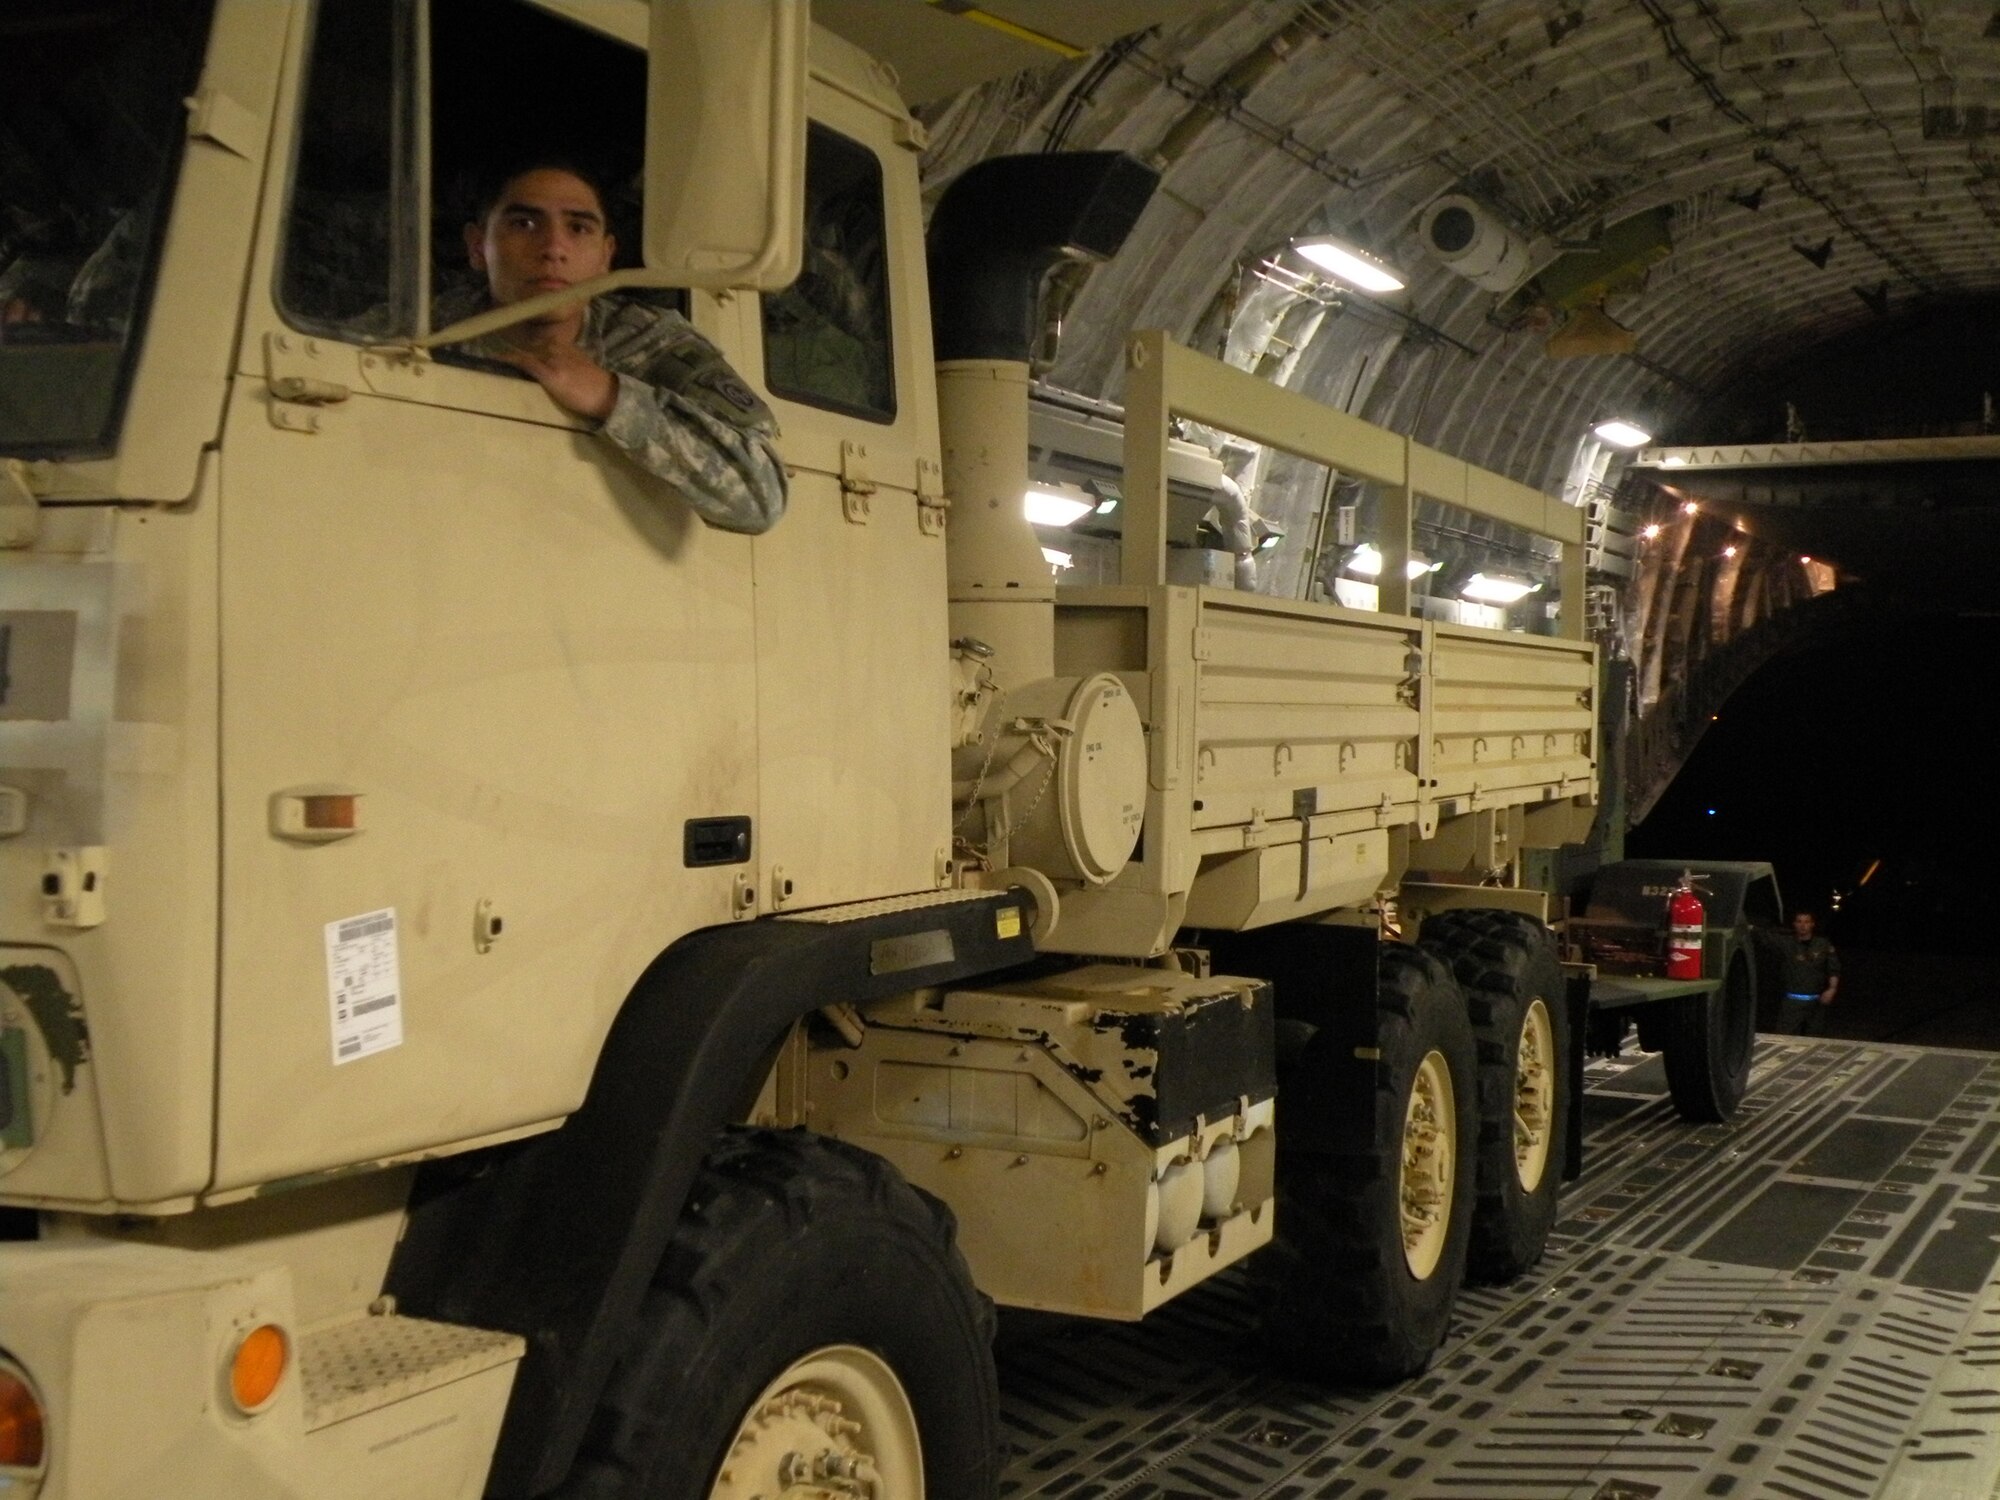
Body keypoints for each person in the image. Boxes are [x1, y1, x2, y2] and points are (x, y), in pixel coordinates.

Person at [436, 154, 786, 535]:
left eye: (579, 228)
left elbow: (761, 496)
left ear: (605, 256)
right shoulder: (428, 329)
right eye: (525, 223)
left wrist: (612, 397)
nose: (554, 247)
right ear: (477, 246)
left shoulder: (644, 339)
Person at [1769, 909, 1839, 1036]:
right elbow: (1765, 937)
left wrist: (1832, 989)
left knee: (1814, 1038)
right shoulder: (1787, 943)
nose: (1803, 925)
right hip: (1792, 1002)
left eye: (1807, 922)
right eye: (1799, 922)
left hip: (1816, 1002)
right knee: (1783, 1037)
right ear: (1794, 924)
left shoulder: (1822, 944)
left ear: (1812, 924)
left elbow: (1833, 969)